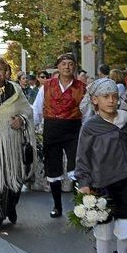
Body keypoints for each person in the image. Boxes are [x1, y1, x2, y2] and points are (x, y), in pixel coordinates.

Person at [75, 78, 127, 253]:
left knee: (125, 228)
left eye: (114, 96)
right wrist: (84, 182)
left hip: (126, 180)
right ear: (95, 100)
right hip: (100, 183)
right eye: (106, 97)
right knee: (103, 230)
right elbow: (83, 156)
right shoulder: (90, 127)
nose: (111, 100)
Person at [0, 56, 37, 227]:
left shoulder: (16, 90)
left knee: (13, 178)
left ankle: (11, 206)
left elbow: (27, 111)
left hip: (12, 142)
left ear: (6, 72)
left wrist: (21, 119)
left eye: (1, 69)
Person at [33, 53, 88, 217]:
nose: (67, 67)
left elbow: (86, 113)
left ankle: (82, 206)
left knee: (76, 166)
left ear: (74, 67)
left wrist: (86, 133)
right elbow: (37, 109)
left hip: (73, 129)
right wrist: (32, 129)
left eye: (70, 64)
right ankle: (57, 206)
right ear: (58, 66)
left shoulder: (82, 88)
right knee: (53, 167)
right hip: (52, 128)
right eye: (63, 64)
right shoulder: (46, 86)